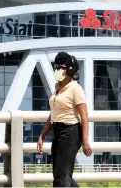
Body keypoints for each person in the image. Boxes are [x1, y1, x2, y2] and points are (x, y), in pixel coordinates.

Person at [37, 51, 92, 187]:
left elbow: (84, 116)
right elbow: (53, 114)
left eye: (61, 67)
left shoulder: (75, 89)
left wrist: (85, 141)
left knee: (61, 178)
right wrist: (42, 135)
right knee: (60, 174)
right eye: (56, 67)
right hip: (58, 131)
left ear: (69, 70)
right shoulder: (57, 88)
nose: (57, 70)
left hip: (70, 132)